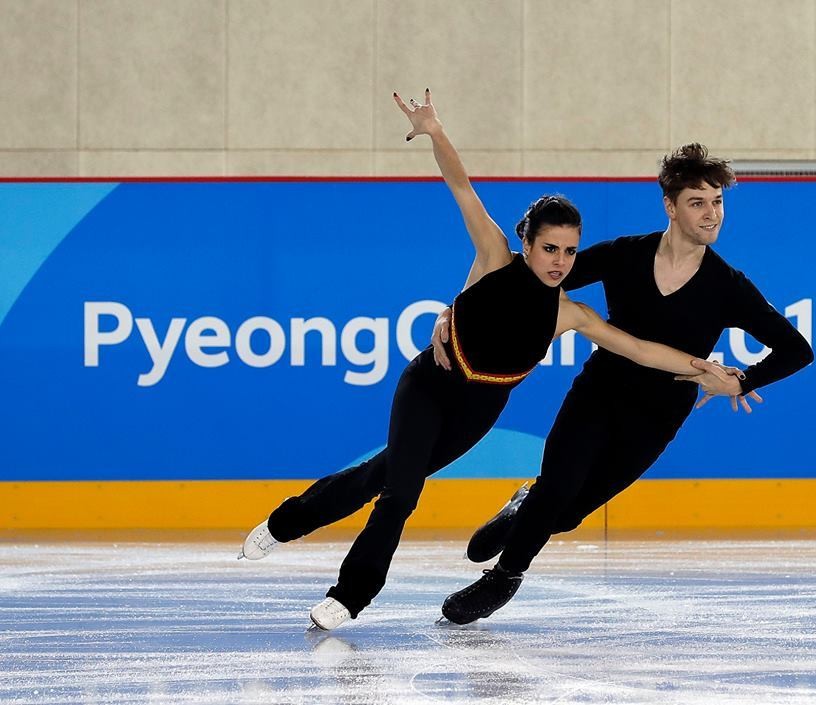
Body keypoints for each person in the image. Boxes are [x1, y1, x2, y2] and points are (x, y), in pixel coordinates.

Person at [237, 92, 745, 632]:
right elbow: (461, 185)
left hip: (477, 413)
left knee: (375, 476)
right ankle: (351, 595)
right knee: (399, 494)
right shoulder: (493, 255)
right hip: (430, 385)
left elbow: (641, 350)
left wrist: (705, 368)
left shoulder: (568, 314)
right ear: (528, 244)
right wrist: (434, 132)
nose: (561, 262)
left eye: (571, 252)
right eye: (551, 249)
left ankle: (287, 520)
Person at [440, 143, 815, 625]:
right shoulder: (625, 256)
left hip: (657, 417)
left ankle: (524, 503)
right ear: (670, 206)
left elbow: (797, 349)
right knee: (558, 488)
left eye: (717, 202)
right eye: (698, 202)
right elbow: (532, 279)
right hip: (600, 392)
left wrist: (741, 381)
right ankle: (503, 578)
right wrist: (455, 312)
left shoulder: (728, 286)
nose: (711, 214)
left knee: (568, 513)